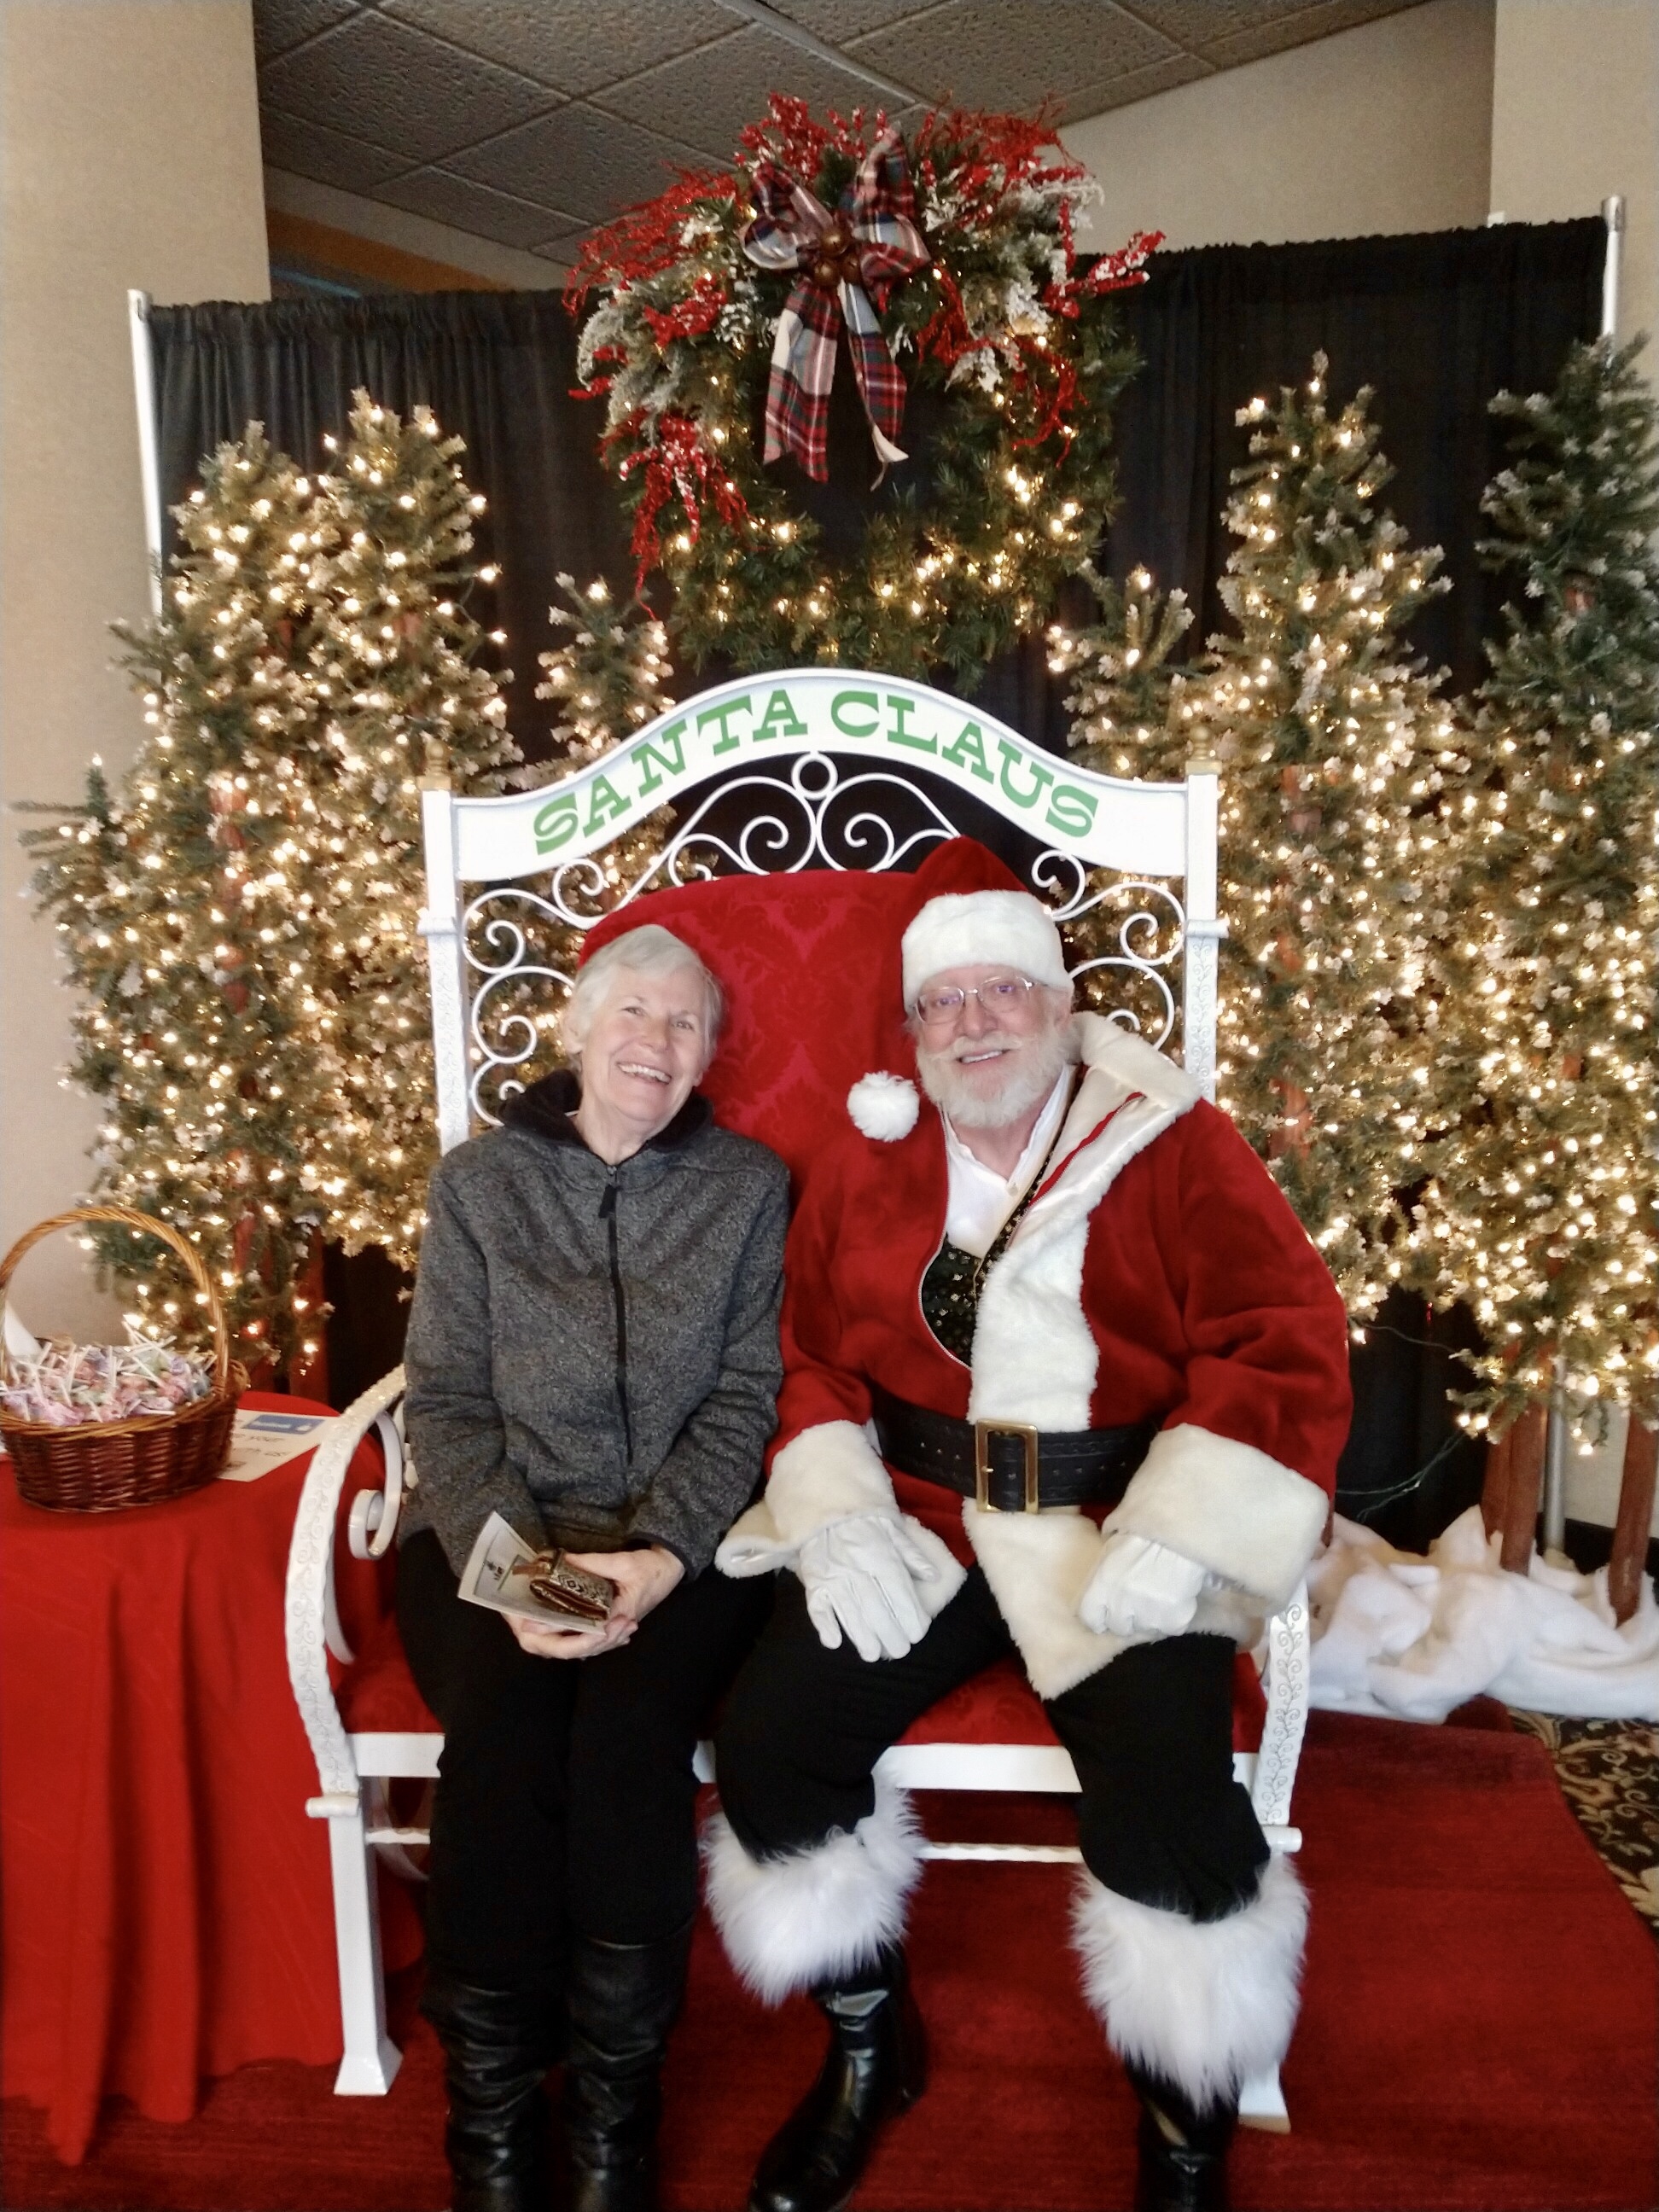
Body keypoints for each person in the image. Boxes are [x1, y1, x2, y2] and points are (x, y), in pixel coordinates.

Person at [707, 840, 1352, 2212]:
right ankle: (872, 2047)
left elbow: (1284, 1336)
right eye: (944, 1001)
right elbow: (806, 1357)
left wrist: (1188, 1530)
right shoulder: (867, 1160)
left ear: (1061, 1006)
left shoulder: (1171, 1143)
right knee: (770, 1744)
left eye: (1003, 990)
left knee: (1172, 1794)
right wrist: (834, 1511)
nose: (975, 1022)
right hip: (926, 1520)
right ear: (914, 1034)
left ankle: (1185, 2131)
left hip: (1114, 1529)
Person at [398, 921, 789, 2212]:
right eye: (633, 1012)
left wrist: (662, 1557)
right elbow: (447, 1401)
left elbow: (744, 1397)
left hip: (687, 1544)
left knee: (628, 1744)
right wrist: (521, 1574)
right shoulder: (480, 1185)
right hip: (489, 1529)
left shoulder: (748, 1189)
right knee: (504, 1743)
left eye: (685, 1024)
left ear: (708, 1055)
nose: (655, 1043)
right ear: (576, 1028)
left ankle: (616, 2118)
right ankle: (494, 2122)